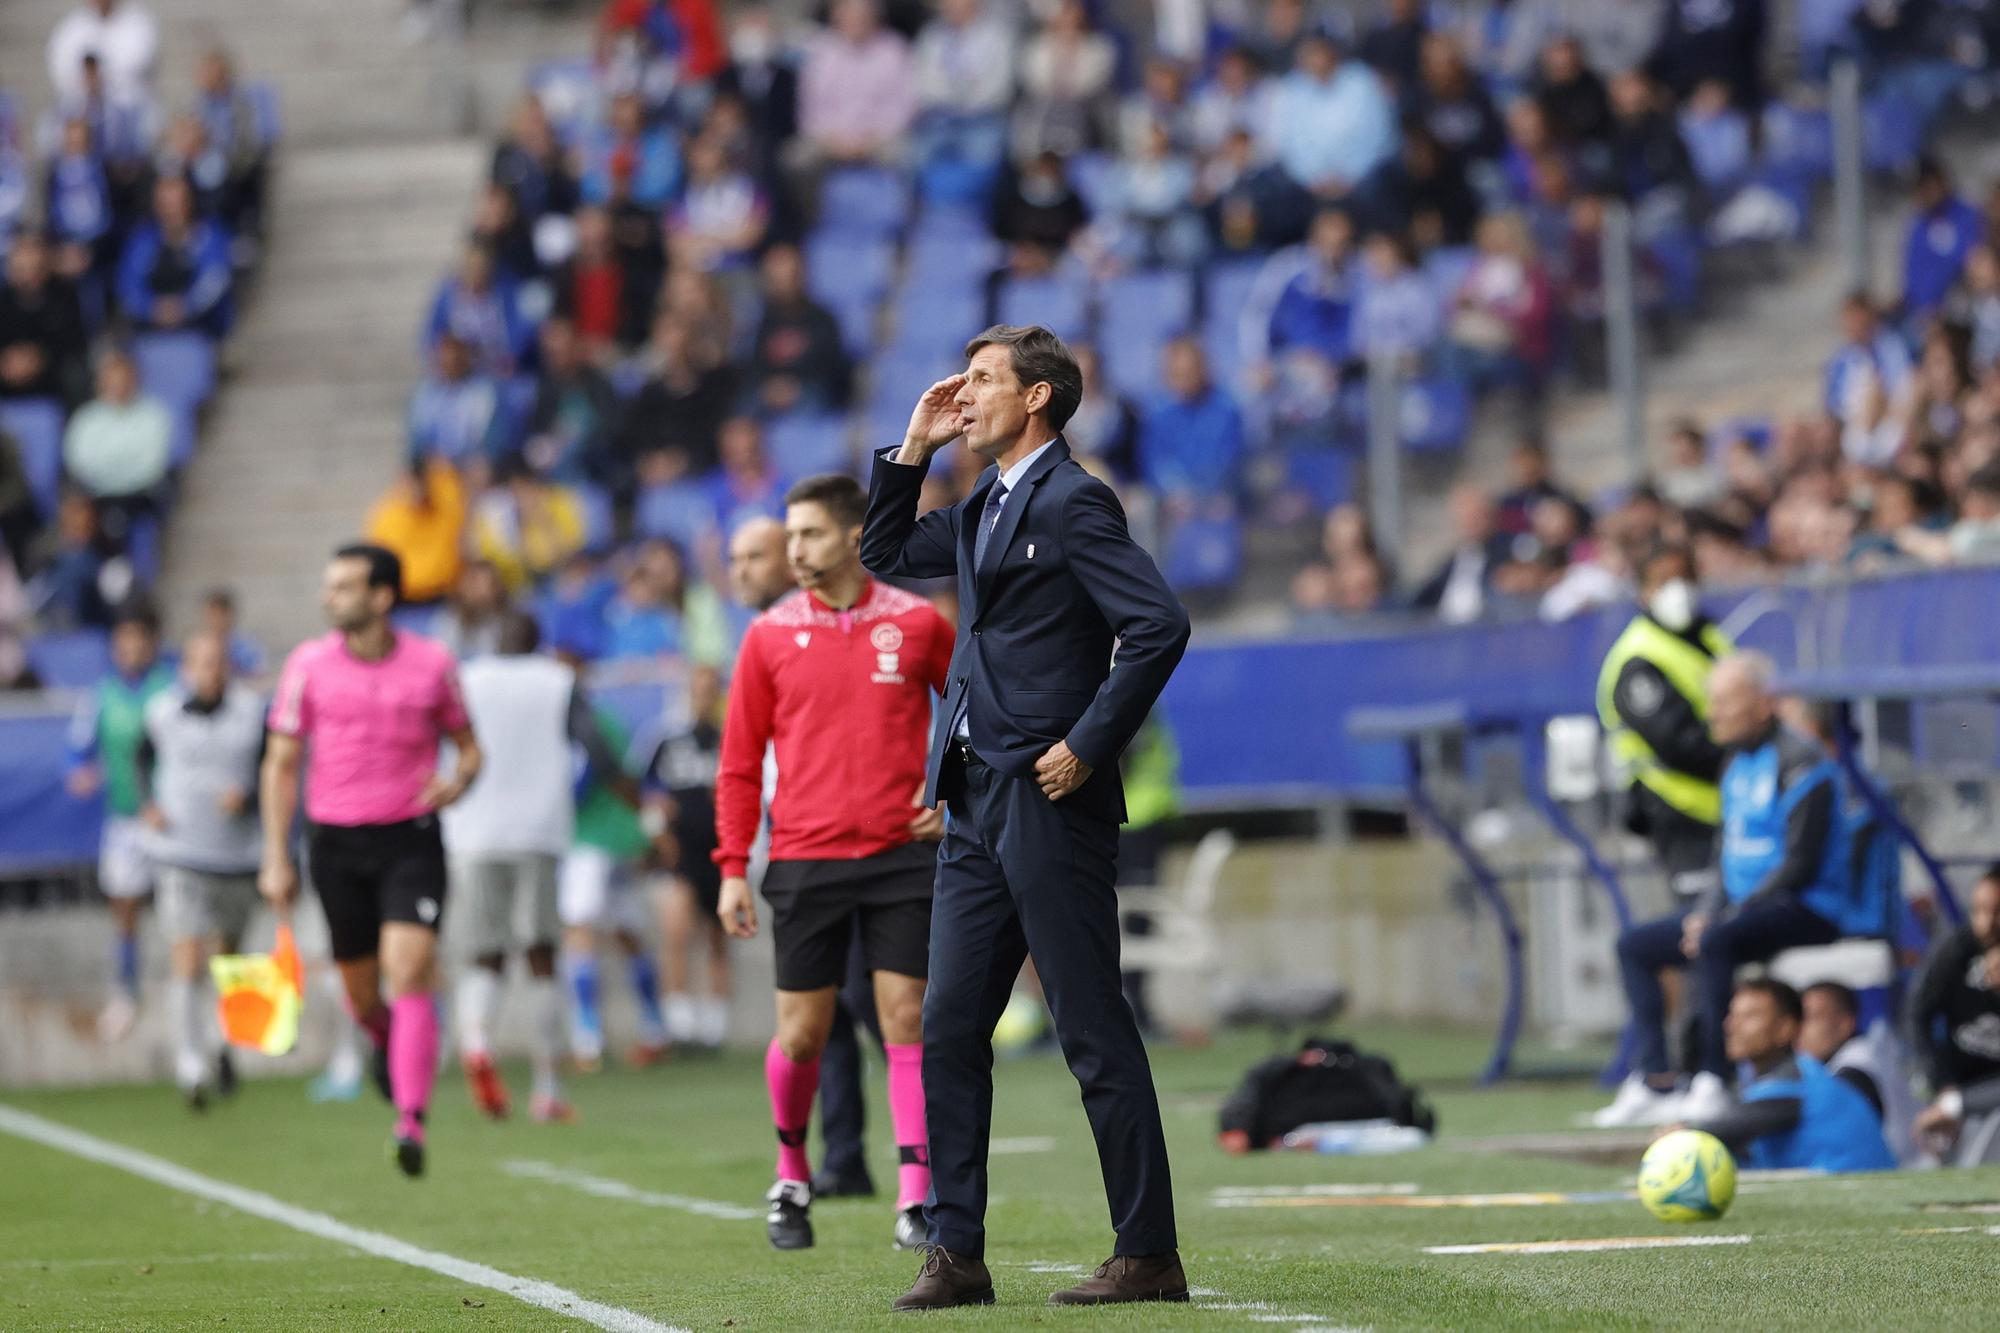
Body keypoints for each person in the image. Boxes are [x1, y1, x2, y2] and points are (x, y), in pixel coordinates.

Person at [864, 325, 1192, 1308]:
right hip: (973, 800)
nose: (963, 395)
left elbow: (1157, 624)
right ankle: (956, 1251)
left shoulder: (1076, 500)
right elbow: (881, 549)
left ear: (1038, 397)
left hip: (1051, 801)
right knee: (950, 1023)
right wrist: (913, 446)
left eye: (982, 382)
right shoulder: (978, 504)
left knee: (1089, 1027)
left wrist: (1088, 741)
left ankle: (1147, 1251)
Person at [715, 473, 953, 1252]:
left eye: (809, 534)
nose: (795, 550)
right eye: (789, 537)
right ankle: (792, 1174)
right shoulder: (767, 635)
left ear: (855, 536)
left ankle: (915, 1197)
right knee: (803, 1034)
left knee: (906, 1018)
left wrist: (953, 799)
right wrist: (729, 867)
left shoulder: (918, 623)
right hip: (805, 857)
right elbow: (740, 762)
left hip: (898, 856)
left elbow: (970, 720)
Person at [260, 544, 483, 1178]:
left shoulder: (434, 665)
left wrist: (459, 781)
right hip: (335, 845)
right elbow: (280, 763)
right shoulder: (307, 665)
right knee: (362, 996)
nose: (329, 598)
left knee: (408, 969)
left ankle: (411, 1122)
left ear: (382, 597)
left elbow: (469, 749)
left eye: (343, 587)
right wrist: (276, 855)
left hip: (411, 838)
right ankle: (391, 1045)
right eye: (329, 587)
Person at [1600, 652, 1850, 1128]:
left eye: (1723, 702)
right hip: (1738, 910)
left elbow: (1798, 865)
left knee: (1716, 942)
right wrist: (1708, 909)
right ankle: (1655, 1079)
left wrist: (1725, 917)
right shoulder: (1735, 763)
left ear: (1760, 703)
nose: (1712, 714)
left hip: (1805, 908)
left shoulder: (1802, 762)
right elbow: (1723, 854)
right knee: (1634, 946)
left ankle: (1713, 1079)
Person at [444, 612, 630, 1123]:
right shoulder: (557, 682)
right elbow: (597, 750)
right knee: (542, 955)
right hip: (537, 833)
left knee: (485, 955)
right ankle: (547, 1087)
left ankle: (478, 1038)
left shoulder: (466, 677)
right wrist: (637, 804)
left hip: (473, 833)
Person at [137, 629, 265, 1109]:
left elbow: (275, 770)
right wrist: (148, 803)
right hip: (179, 853)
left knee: (229, 959)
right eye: (202, 662)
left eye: (218, 662)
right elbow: (139, 757)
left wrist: (248, 798)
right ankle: (189, 1064)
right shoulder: (163, 712)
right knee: (187, 955)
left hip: (235, 855)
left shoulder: (252, 714)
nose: (211, 671)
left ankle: (222, 1044)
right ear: (186, 667)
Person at [1594, 545, 1733, 902]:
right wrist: (1750, 756)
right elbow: (1679, 743)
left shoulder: (1708, 635)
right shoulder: (1638, 660)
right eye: (1663, 581)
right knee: (1699, 922)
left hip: (1728, 805)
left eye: (1684, 578)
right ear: (1643, 591)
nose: (1678, 589)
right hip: (1679, 808)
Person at [556, 646, 672, 1070]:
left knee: (579, 928)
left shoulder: (573, 726)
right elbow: (629, 779)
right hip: (624, 838)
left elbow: (580, 782)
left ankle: (588, 1041)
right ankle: (654, 1029)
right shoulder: (608, 720)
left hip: (590, 839)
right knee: (628, 930)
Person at [68, 603, 175, 1041]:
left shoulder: (171, 690)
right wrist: (79, 770)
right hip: (125, 819)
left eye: (139, 640)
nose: (131, 649)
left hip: (172, 820)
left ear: (151, 644)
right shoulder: (100, 695)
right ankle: (126, 991)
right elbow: (76, 750)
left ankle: (192, 992)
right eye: (123, 642)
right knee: (124, 907)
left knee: (184, 910)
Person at [1667, 978, 1897, 1173]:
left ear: (1786, 1029)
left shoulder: (1795, 1077)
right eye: (1732, 1015)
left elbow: (1745, 1121)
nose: (1731, 1026)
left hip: (1856, 1188)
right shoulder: (1793, 1073)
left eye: (1750, 1016)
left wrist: (1685, 1132)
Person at [637, 662, 731, 1049]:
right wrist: (660, 837)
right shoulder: (667, 740)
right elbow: (646, 791)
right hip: (680, 852)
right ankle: (679, 1022)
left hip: (721, 850)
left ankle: (714, 1025)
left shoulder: (728, 739)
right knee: (677, 932)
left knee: (717, 934)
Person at [1907, 870, 2000, 1165]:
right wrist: (1943, 1086)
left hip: (1977, 1101)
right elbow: (1917, 1014)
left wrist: (1954, 1105)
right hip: (1961, 1093)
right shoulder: (1957, 949)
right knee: (1931, 1171)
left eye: (1998, 913)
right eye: (1979, 910)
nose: (1987, 924)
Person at [1800, 979, 1920, 1164]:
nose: (1799, 1030)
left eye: (1811, 1018)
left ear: (1844, 1024)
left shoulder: (1854, 1068)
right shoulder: (1869, 1050)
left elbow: (1848, 1138)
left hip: (1902, 1172)